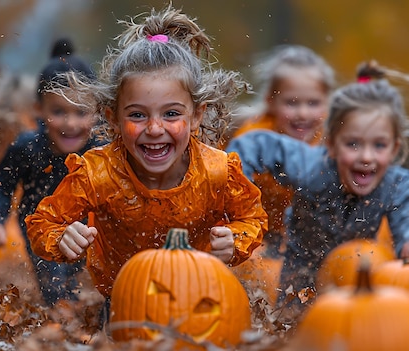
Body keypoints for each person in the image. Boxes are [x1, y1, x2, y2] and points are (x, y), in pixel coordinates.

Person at [25, 5, 267, 307]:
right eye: (137, 115)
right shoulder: (98, 174)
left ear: (196, 115)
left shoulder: (217, 171)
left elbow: (252, 217)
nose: (154, 128)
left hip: (202, 291)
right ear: (112, 118)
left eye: (171, 114)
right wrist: (61, 238)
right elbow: (43, 223)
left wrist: (237, 240)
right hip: (126, 297)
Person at [226, 60, 409, 319]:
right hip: (302, 268)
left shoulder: (395, 184)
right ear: (331, 145)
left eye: (379, 145)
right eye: (352, 144)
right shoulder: (312, 167)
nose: (366, 156)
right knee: (293, 323)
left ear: (394, 148)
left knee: (359, 322)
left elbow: (405, 219)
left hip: (355, 269)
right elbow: (257, 144)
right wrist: (236, 186)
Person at [0, 38, 102, 306]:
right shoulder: (28, 148)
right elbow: (0, 183)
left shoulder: (101, 150)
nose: (70, 123)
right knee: (55, 286)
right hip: (40, 227)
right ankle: (62, 322)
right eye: (59, 112)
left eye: (81, 112)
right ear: (38, 109)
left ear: (97, 112)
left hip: (90, 226)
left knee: (95, 280)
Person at [230, 45, 335, 259]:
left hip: (299, 236)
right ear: (271, 101)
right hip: (253, 231)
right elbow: (231, 190)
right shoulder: (253, 138)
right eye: (291, 103)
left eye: (313, 103)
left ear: (327, 104)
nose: (303, 113)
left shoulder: (331, 142)